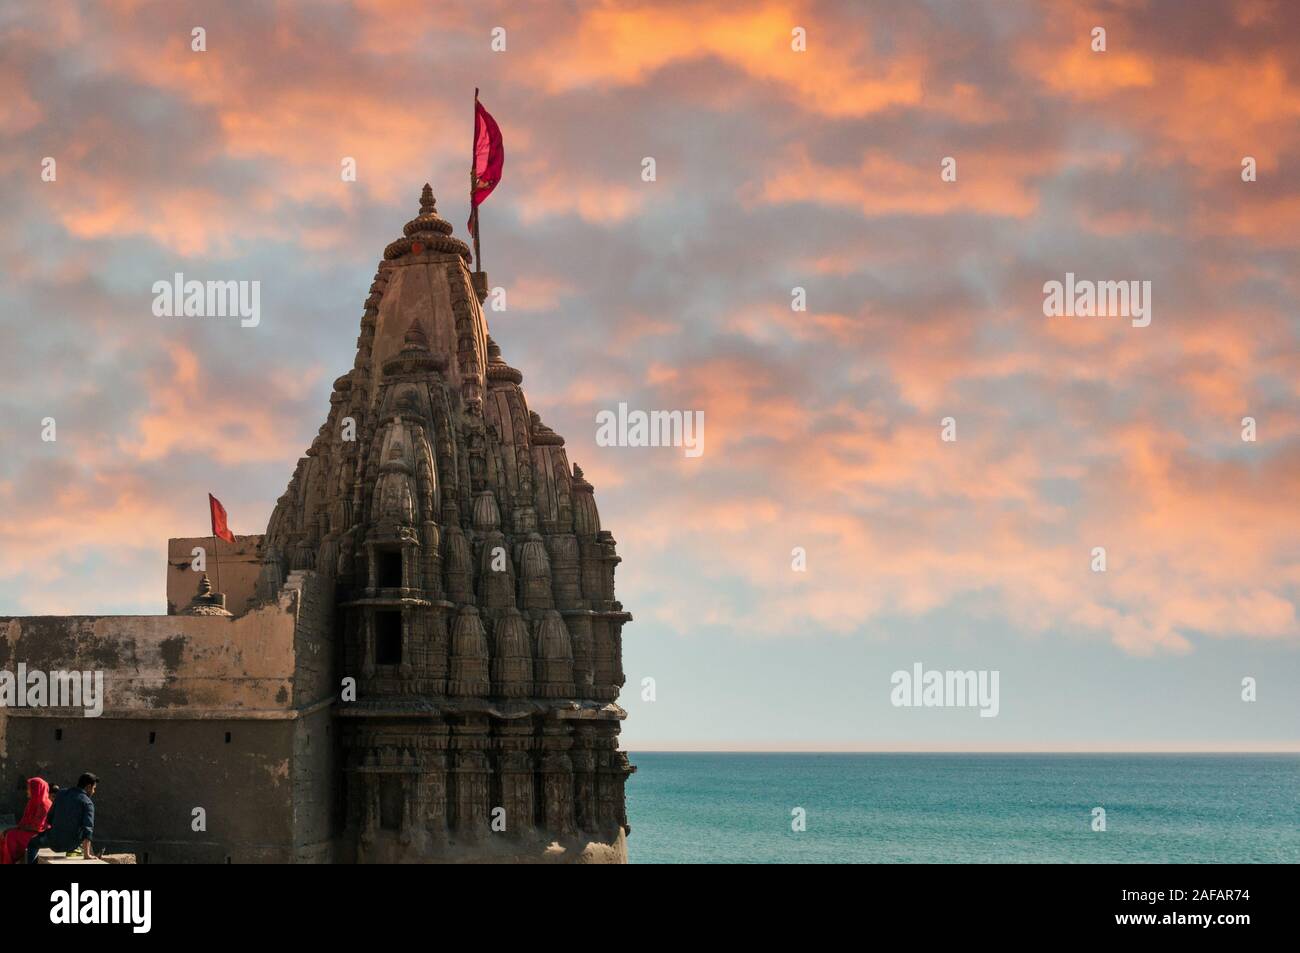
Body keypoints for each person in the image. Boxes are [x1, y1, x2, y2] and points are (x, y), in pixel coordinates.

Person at [25, 772, 97, 864]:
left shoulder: (61, 794)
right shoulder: (88, 803)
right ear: (88, 787)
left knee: (32, 843)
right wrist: (87, 855)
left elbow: (50, 818)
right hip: (72, 845)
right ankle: (77, 851)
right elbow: (88, 829)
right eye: (94, 788)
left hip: (52, 841)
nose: (94, 791)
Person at [0, 777, 52, 864]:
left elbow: (39, 828)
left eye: (29, 788)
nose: (27, 791)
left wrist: (19, 829)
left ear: (36, 789)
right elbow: (24, 822)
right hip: (29, 832)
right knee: (5, 835)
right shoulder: (32, 803)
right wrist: (16, 828)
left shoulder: (44, 804)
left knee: (11, 837)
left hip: (40, 835)